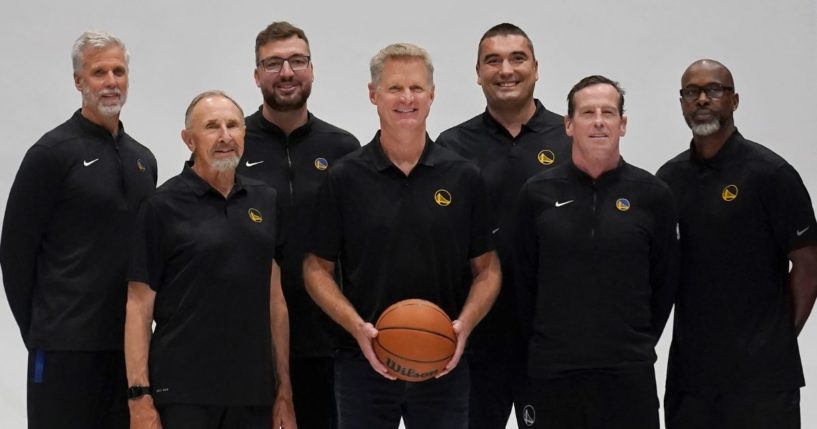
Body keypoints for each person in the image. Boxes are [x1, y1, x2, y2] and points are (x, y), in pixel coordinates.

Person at [303, 43, 501, 429]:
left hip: (443, 363)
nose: (406, 98)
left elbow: (488, 269)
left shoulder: (463, 176)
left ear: (432, 95)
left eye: (416, 88)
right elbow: (315, 268)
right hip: (362, 363)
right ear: (373, 95)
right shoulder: (344, 178)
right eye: (394, 88)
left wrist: (463, 326)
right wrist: (357, 328)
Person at [0, 30, 157, 429]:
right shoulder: (51, 155)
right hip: (63, 348)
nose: (111, 81)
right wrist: (40, 331)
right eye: (99, 72)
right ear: (78, 82)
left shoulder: (143, 161)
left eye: (118, 71)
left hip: (125, 349)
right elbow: (15, 252)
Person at [657, 59, 817, 429]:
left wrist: (776, 337)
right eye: (691, 92)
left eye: (714, 90)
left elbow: (808, 264)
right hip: (690, 377)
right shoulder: (667, 180)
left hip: (762, 380)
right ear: (681, 103)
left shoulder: (771, 174)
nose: (702, 100)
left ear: (734, 100)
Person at [124, 91, 296, 429]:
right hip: (182, 395)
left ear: (244, 134)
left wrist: (284, 388)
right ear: (189, 140)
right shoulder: (162, 206)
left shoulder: (265, 200)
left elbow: (275, 301)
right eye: (211, 127)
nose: (225, 136)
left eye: (233, 125)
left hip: (253, 394)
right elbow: (138, 306)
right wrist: (139, 396)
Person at [514, 75, 679, 429]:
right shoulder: (536, 193)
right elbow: (523, 281)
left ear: (623, 124)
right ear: (569, 125)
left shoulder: (654, 195)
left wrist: (634, 340)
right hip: (553, 373)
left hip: (628, 373)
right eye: (588, 112)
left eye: (609, 112)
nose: (599, 121)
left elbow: (664, 282)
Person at [435, 23, 571, 429]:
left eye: (517, 58)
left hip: (551, 340)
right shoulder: (451, 146)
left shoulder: (570, 138)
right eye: (492, 61)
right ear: (478, 73)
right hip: (475, 340)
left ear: (536, 67)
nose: (506, 70)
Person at [237, 21, 360, 429]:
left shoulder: (343, 149)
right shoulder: (233, 144)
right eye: (273, 64)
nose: (286, 72)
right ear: (256, 76)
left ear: (312, 69)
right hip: (249, 342)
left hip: (328, 344)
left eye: (296, 61)